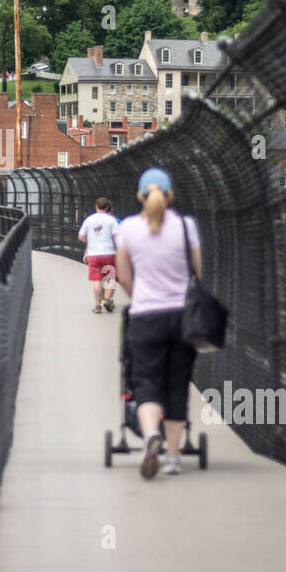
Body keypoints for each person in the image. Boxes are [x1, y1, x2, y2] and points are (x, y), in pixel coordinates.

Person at [113, 166, 202, 479]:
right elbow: (197, 273)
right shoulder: (186, 226)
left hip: (144, 316)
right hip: (181, 317)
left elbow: (123, 276)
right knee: (177, 383)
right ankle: (174, 458)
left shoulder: (127, 229)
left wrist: (142, 297)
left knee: (146, 381)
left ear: (140, 196)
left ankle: (151, 434)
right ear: (170, 194)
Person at [77, 197, 120, 313]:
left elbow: (81, 236)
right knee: (110, 278)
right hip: (109, 254)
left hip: (94, 254)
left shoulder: (89, 220)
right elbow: (117, 238)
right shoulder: (111, 220)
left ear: (96, 206)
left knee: (97, 280)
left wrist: (91, 242)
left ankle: (98, 305)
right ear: (107, 207)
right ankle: (108, 298)